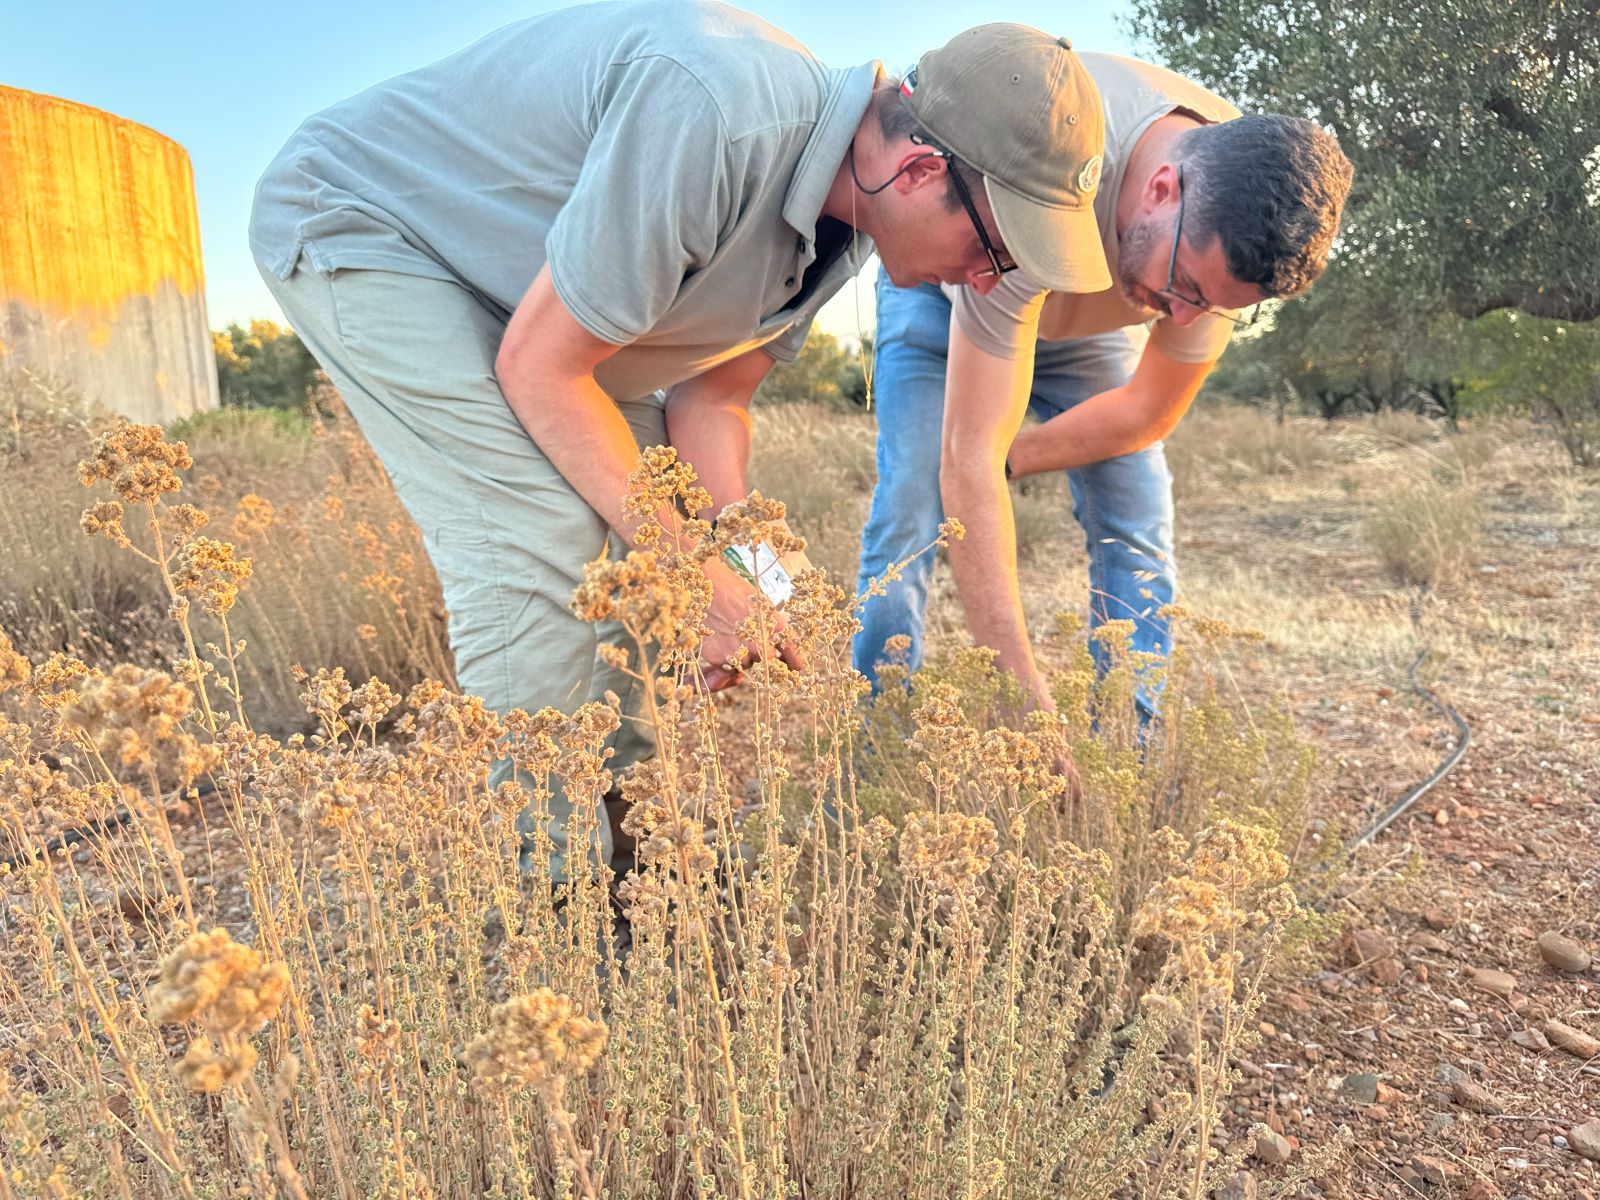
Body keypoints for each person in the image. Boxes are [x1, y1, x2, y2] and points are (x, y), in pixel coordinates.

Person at [249, 2, 1111, 880]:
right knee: (542, 538)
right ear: (922, 168)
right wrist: (693, 573)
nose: (985, 280)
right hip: (371, 225)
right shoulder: (720, 111)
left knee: (639, 528)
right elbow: (544, 370)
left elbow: (711, 404)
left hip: (527, 302)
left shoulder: (846, 225)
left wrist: (754, 576)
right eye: (994, 248)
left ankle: (624, 847)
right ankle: (558, 898)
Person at [853, 53, 1353, 722]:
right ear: (1161, 189)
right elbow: (965, 459)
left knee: (1136, 517)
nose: (1181, 320)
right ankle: (871, 743)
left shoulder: (1236, 210)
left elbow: (1145, 410)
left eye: (1213, 308)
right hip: (956, 276)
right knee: (913, 506)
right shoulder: (1055, 157)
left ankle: (1125, 748)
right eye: (1189, 290)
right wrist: (1029, 709)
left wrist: (1013, 461)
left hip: (1088, 315)